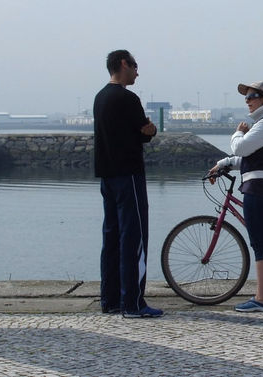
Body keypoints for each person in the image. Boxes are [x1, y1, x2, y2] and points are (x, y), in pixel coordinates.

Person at [209, 81, 263, 312]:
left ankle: (262, 299)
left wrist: (238, 132)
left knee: (259, 242)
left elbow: (240, 148)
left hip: (257, 188)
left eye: (252, 96)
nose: (247, 100)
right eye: (246, 97)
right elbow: (249, 158)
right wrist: (223, 164)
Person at [93, 49, 163, 318]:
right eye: (135, 66)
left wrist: (144, 130)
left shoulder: (100, 97)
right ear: (123, 64)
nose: (137, 72)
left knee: (111, 236)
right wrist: (152, 129)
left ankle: (110, 300)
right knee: (133, 237)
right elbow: (145, 131)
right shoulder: (128, 98)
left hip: (107, 175)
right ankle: (133, 303)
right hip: (129, 175)